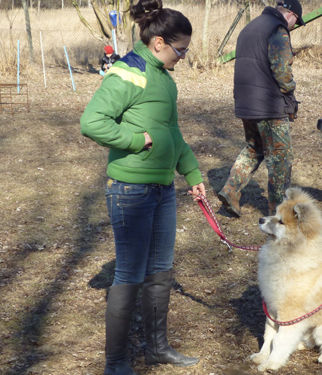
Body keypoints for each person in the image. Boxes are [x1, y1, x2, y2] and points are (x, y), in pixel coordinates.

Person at [80, 0, 204, 374]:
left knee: (160, 271)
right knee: (129, 276)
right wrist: (137, 140)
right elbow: (92, 121)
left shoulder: (165, 78)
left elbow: (173, 133)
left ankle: (158, 349)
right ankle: (115, 362)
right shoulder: (127, 74)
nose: (183, 55)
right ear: (159, 43)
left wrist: (194, 176)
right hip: (130, 192)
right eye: (180, 49)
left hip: (163, 190)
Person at [217, 0, 305, 217]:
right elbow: (282, 70)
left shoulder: (250, 27)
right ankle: (280, 213)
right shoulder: (278, 29)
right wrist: (291, 91)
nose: (294, 27)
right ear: (291, 15)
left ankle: (230, 191)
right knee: (280, 158)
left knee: (254, 149)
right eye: (296, 22)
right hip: (268, 104)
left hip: (245, 101)